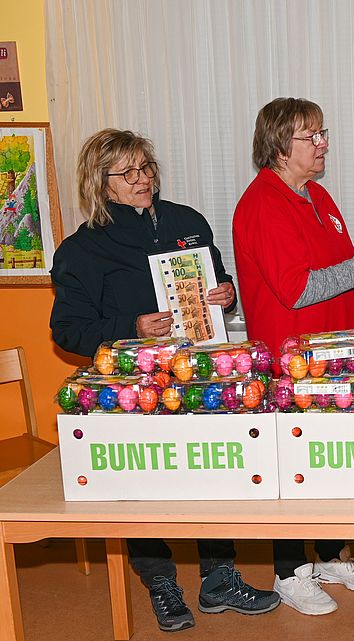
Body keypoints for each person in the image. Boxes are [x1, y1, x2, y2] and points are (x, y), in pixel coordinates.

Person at [50, 129, 279, 632]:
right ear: (100, 183)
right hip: (133, 391)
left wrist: (225, 294)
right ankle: (160, 582)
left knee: (215, 479)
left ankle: (220, 578)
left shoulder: (187, 222)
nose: (142, 180)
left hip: (200, 379)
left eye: (146, 168)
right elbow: (67, 331)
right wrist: (130, 330)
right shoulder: (81, 250)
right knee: (142, 488)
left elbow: (219, 283)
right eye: (127, 173)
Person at [233, 97, 354, 616]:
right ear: (277, 144)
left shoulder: (317, 195)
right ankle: (290, 570)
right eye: (310, 135)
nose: (323, 143)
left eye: (322, 132)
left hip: (337, 359)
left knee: (332, 465)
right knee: (294, 469)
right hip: (296, 363)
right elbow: (296, 291)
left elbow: (338, 269)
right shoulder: (263, 203)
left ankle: (332, 554)